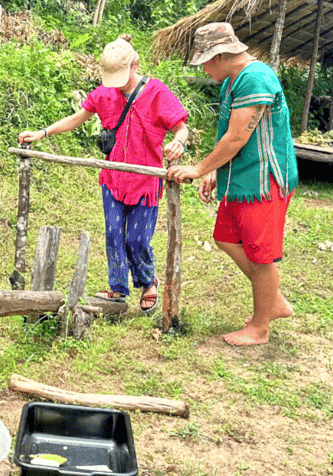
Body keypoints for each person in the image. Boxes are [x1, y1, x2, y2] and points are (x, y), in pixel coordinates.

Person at [19, 35, 189, 313]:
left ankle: (148, 282)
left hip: (145, 179)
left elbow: (181, 127)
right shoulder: (103, 94)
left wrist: (178, 142)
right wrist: (43, 132)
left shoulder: (157, 92)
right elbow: (77, 118)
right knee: (112, 233)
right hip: (113, 178)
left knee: (137, 239)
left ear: (136, 65)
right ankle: (118, 287)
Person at [167, 23, 298, 346]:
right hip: (239, 176)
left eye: (206, 62)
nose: (204, 68)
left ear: (222, 55)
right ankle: (274, 301)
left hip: (264, 180)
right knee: (225, 238)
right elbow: (230, 134)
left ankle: (260, 327)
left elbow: (239, 135)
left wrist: (199, 168)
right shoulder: (232, 80)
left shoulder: (256, 78)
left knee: (260, 255)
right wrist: (215, 169)